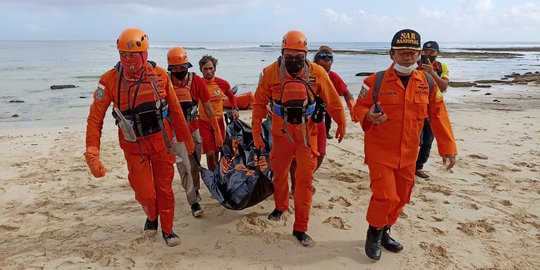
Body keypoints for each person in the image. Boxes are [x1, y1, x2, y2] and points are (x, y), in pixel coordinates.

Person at [353, 29, 457, 261]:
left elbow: (439, 115)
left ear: (419, 55)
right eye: (402, 52)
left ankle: (385, 231)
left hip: (409, 153)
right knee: (385, 196)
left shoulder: (428, 83)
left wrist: (448, 147)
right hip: (380, 151)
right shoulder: (374, 81)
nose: (408, 57)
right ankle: (374, 233)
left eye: (413, 52)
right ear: (392, 54)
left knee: (401, 197)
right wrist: (368, 114)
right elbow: (357, 108)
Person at [85, 28, 194, 246]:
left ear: (144, 53)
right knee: (144, 191)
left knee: (164, 189)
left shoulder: (161, 76)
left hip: (161, 143)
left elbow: (175, 110)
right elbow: (95, 118)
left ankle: (168, 230)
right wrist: (92, 154)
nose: (128, 60)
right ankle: (152, 216)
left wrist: (187, 140)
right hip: (134, 146)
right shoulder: (109, 80)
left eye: (133, 55)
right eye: (123, 55)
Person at [251, 30, 347, 247]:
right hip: (281, 133)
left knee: (305, 180)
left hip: (307, 134)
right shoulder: (270, 73)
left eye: (299, 58)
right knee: (279, 172)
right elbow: (258, 105)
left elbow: (332, 100)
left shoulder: (318, 72)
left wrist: (341, 122)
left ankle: (301, 227)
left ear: (306, 55)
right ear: (282, 53)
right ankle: (281, 206)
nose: (294, 62)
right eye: (289, 58)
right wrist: (257, 135)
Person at [289, 45, 358, 196]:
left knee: (320, 154)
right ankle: (295, 186)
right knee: (296, 157)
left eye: (330, 57)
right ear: (316, 59)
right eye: (323, 57)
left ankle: (304, 178)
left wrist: (352, 110)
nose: (326, 60)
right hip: (297, 120)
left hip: (320, 118)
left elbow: (347, 94)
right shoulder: (303, 73)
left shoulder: (332, 76)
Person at [167, 47, 224, 218]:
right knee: (184, 167)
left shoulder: (197, 82)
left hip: (194, 128)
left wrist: (217, 132)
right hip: (175, 132)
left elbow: (208, 107)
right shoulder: (165, 82)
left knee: (195, 164)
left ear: (187, 66)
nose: (178, 71)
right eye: (175, 69)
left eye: (181, 68)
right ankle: (194, 202)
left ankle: (197, 189)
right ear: (170, 68)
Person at [415, 41, 450, 179]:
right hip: (416, 107)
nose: (429, 55)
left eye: (432, 52)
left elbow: (443, 86)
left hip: (433, 109)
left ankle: (418, 167)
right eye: (426, 52)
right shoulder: (413, 65)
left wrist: (431, 72)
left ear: (438, 53)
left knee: (428, 141)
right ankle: (407, 165)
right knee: (416, 140)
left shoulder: (442, 67)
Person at [198, 55, 239, 172]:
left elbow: (231, 96)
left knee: (217, 151)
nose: (208, 71)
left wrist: (235, 108)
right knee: (210, 153)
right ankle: (213, 175)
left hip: (219, 122)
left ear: (215, 68)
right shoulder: (198, 83)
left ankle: (217, 174)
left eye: (211, 68)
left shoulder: (223, 83)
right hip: (204, 123)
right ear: (201, 69)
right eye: (205, 69)